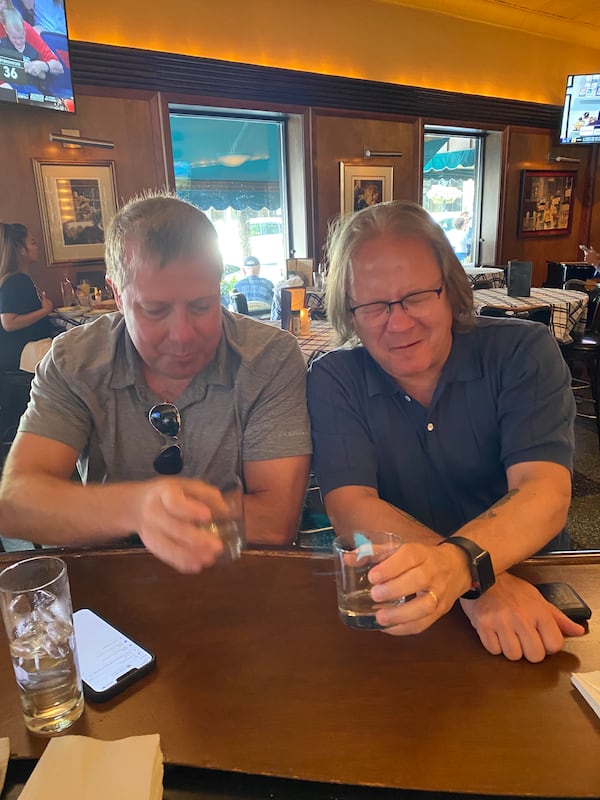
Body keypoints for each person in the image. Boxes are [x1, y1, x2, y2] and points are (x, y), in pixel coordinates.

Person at [307, 199, 585, 662]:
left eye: (416, 296)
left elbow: (545, 492)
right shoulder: (335, 377)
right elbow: (351, 507)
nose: (397, 322)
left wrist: (460, 569)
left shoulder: (523, 350)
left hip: (534, 590)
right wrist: (476, 584)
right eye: (373, 305)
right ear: (349, 313)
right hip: (408, 602)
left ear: (451, 292)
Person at [0, 193, 312, 574]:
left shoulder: (270, 356)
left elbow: (274, 522)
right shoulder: (75, 361)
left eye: (202, 306)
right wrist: (137, 508)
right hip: (112, 590)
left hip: (238, 577)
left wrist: (114, 514)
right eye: (154, 310)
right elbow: (15, 503)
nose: (182, 335)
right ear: (117, 294)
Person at [0, 222, 53, 372]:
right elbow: (8, 323)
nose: (37, 247)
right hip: (19, 356)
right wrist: (45, 310)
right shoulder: (17, 280)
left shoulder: (15, 279)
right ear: (22, 250)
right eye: (33, 243)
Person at [0, 7, 63, 90]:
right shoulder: (3, 44)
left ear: (25, 30)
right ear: (6, 30)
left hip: (31, 89)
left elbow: (58, 68)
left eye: (21, 37)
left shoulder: (30, 41)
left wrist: (43, 66)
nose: (19, 42)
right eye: (14, 38)